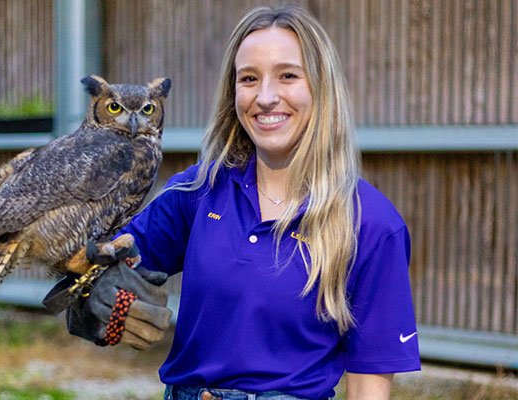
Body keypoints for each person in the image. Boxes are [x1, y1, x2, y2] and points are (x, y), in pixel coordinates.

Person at [62, 4, 421, 399]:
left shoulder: (371, 223)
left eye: (287, 76)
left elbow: (368, 387)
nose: (265, 97)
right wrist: (94, 297)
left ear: (321, 86)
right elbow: (97, 265)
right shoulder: (197, 192)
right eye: (249, 78)